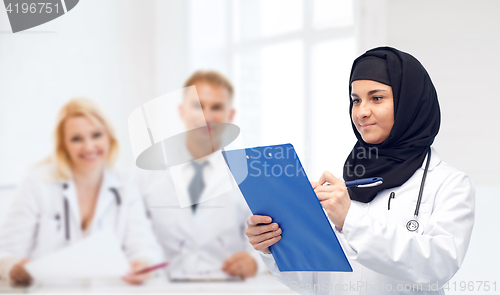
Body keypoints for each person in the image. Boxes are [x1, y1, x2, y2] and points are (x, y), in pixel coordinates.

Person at [245, 47, 475, 294]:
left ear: (410, 102)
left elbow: (436, 269)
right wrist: (275, 246)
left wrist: (349, 220)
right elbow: (313, 280)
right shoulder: (345, 180)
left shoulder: (450, 184)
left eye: (376, 98)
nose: (361, 112)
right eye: (356, 100)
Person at [0, 98, 164, 286]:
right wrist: (13, 267)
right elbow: (5, 251)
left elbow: (145, 246)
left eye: (96, 135)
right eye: (76, 139)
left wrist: (142, 263)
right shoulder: (37, 184)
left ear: (109, 137)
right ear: (64, 146)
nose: (89, 147)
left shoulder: (125, 185)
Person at [135, 70, 265, 279]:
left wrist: (254, 262)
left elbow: (266, 237)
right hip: (163, 288)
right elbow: (135, 234)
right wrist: (142, 261)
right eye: (198, 106)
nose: (206, 117)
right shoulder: (148, 174)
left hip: (226, 288)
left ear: (230, 116)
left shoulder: (248, 175)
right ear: (182, 111)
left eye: (217, 107)